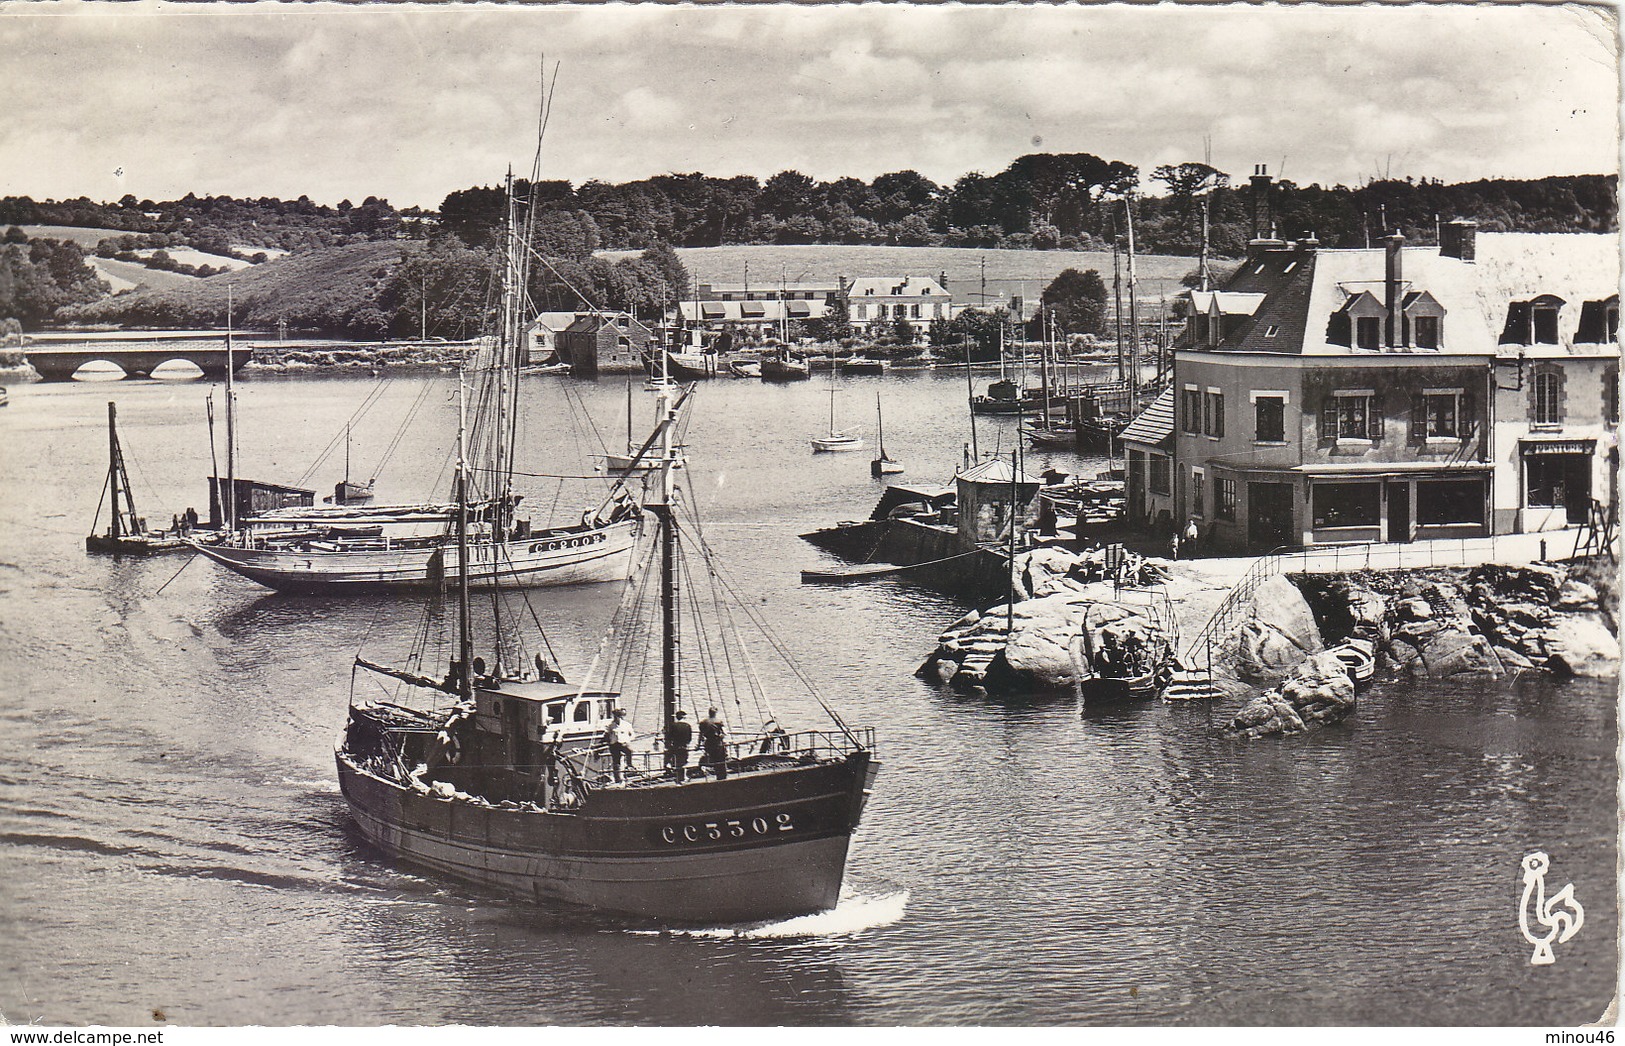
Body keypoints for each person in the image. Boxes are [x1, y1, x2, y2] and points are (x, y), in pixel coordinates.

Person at [604, 709, 635, 783]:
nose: (616, 718)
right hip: (614, 744)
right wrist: (609, 741)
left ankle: (629, 765)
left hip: (623, 743)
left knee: (630, 751)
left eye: (617, 716)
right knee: (616, 762)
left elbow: (632, 735)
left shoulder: (626, 725)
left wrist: (628, 740)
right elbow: (607, 734)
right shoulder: (610, 725)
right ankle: (618, 779)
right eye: (615, 716)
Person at [698, 706, 728, 780]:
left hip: (708, 743)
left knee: (710, 759)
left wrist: (698, 744)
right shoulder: (719, 721)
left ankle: (705, 772)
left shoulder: (703, 722)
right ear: (715, 713)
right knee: (720, 760)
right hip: (718, 743)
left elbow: (701, 735)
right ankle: (721, 777)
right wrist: (721, 736)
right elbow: (725, 732)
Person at [665, 709, 693, 782]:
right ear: (684, 717)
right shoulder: (688, 726)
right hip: (684, 746)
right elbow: (689, 738)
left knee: (675, 761)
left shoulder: (673, 725)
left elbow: (669, 737)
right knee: (684, 762)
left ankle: (672, 770)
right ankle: (683, 777)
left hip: (676, 746)